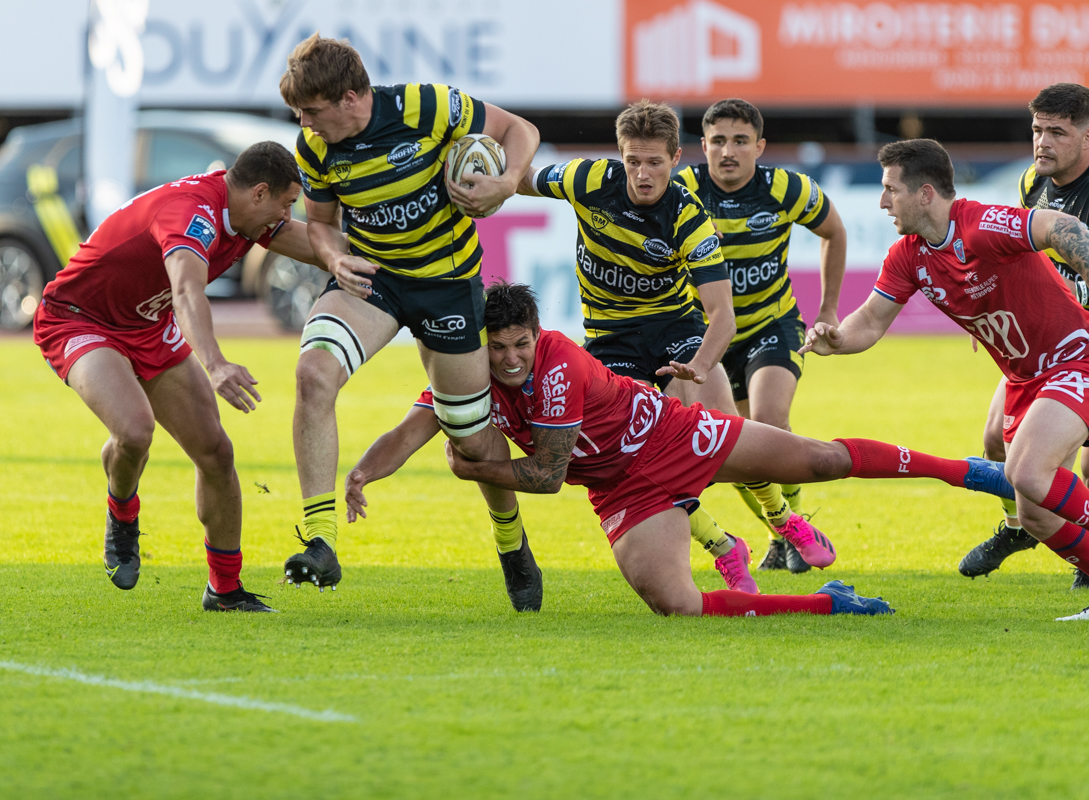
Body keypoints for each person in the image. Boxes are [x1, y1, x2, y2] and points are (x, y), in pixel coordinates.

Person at [347, 282, 1017, 617]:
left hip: (671, 435)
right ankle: (829, 603)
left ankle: (971, 473)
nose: (513, 358)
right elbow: (410, 430)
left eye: (521, 343)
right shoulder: (468, 379)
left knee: (822, 461)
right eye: (499, 351)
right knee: (677, 605)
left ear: (536, 333)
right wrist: (360, 475)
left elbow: (547, 477)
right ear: (479, 350)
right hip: (623, 489)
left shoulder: (556, 365)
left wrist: (473, 469)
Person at [801, 138, 1089, 620]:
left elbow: (1066, 227)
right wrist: (836, 338)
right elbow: (869, 321)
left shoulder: (980, 224)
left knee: (1026, 472)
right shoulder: (907, 256)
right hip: (1025, 379)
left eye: (891, 190)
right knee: (1034, 513)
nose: (882, 201)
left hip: (1078, 359)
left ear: (925, 193)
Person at [278, 34, 545, 610]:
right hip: (374, 280)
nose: (304, 122)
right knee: (313, 373)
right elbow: (320, 224)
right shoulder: (315, 146)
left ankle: (511, 543)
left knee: (471, 438)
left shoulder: (425, 106)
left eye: (313, 111)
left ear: (350, 98)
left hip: (448, 286)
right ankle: (320, 535)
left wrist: (507, 179)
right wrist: (331, 255)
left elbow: (518, 129)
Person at [514, 100, 796, 595]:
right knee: (637, 458)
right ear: (620, 156)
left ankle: (783, 520)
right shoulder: (587, 179)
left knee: (724, 431)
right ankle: (724, 546)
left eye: (655, 163)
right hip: (610, 337)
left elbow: (723, 317)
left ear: (677, 159)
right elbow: (523, 179)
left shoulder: (688, 216)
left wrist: (701, 367)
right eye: (632, 162)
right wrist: (484, 178)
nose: (642, 175)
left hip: (674, 329)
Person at [32, 142, 316, 611]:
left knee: (216, 451)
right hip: (80, 318)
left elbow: (319, 248)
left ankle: (224, 590)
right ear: (260, 193)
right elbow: (186, 291)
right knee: (135, 430)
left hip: (145, 324)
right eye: (287, 204)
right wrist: (216, 363)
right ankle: (122, 512)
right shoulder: (192, 213)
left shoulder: (247, 213)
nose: (287, 215)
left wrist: (394, 263)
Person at [957, 85, 1089, 591]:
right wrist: (990, 309)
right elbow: (1017, 256)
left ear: (1088, 137)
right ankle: (1017, 529)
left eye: (1057, 132)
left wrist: (1083, 304)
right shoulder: (1033, 181)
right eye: (1037, 130)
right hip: (1055, 339)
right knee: (994, 439)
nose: (1042, 143)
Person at [675, 98, 847, 574]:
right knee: (737, 446)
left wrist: (828, 308)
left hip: (771, 325)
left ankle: (789, 532)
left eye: (740, 141)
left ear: (760, 146)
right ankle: (784, 531)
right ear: (703, 145)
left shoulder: (788, 189)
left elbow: (834, 231)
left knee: (771, 422)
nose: (728, 151)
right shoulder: (681, 190)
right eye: (718, 141)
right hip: (706, 337)